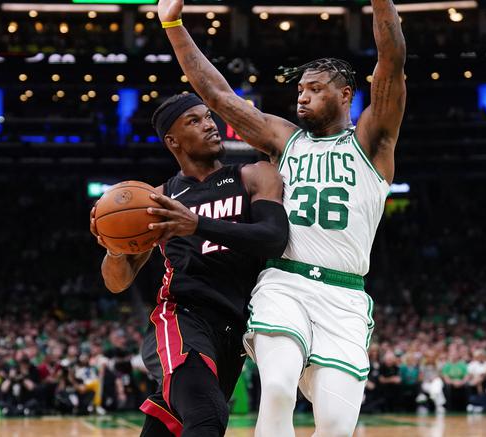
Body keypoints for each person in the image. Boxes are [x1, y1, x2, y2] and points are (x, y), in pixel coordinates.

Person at [156, 0, 406, 434]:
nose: (302, 97)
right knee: (275, 388)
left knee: (335, 425)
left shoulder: (372, 142)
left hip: (344, 297)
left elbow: (392, 62)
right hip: (284, 282)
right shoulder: (285, 140)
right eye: (300, 91)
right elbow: (217, 96)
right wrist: (173, 24)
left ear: (346, 94)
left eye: (314, 89)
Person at [90, 93, 288, 436]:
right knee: (207, 417)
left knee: (173, 426)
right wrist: (115, 248)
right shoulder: (157, 201)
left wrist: (197, 224)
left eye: (209, 117)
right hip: (182, 317)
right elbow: (117, 282)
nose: (210, 125)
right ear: (173, 141)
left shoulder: (254, 176)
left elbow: (273, 238)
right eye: (194, 121)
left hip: (235, 327)